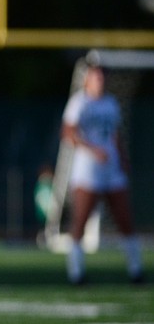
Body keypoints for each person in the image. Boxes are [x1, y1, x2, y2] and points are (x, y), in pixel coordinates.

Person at [61, 63, 143, 285]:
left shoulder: (111, 103)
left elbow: (115, 135)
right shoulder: (80, 102)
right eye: (96, 77)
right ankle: (76, 273)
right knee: (80, 221)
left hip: (112, 169)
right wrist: (91, 149)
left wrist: (123, 158)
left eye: (102, 77)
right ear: (87, 80)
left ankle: (136, 270)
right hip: (88, 172)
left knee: (125, 219)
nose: (100, 81)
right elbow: (68, 132)